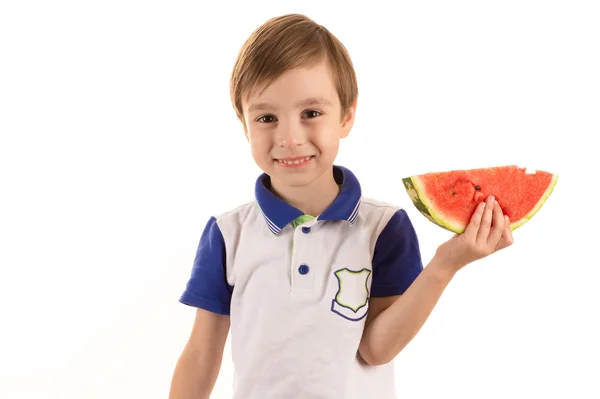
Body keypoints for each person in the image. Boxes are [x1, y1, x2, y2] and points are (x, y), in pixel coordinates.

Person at [168, 13, 513, 399]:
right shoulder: (228, 233)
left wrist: (446, 263)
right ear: (244, 125)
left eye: (311, 114)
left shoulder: (384, 227)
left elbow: (376, 349)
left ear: (346, 115)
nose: (289, 137)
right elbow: (201, 355)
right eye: (267, 117)